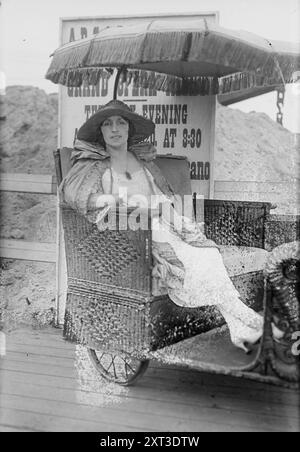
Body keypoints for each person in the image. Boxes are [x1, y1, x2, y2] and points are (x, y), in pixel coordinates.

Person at [61, 99, 283, 353]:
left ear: (129, 128)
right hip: (127, 237)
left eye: (121, 122)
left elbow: (162, 199)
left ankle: (238, 328)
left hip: (163, 227)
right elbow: (77, 196)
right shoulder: (93, 165)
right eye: (107, 124)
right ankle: (251, 321)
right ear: (100, 131)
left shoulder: (142, 161)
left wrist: (183, 225)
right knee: (196, 258)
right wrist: (120, 201)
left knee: (206, 253)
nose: (115, 129)